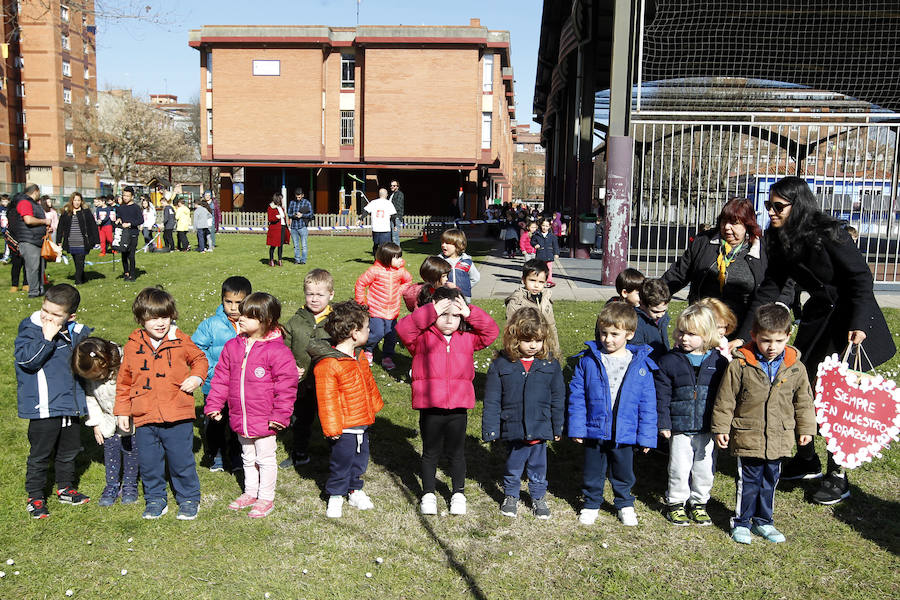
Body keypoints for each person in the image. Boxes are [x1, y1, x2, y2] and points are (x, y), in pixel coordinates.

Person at [754, 176, 895, 504]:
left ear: (797, 205)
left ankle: (838, 474)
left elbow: (860, 277)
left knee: (836, 398)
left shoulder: (830, 233)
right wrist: (751, 327)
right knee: (802, 388)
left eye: (778, 206)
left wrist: (859, 323)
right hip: (818, 319)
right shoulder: (779, 236)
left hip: (848, 322)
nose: (771, 212)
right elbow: (772, 285)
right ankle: (806, 460)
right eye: (768, 206)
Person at [712, 304, 816, 544]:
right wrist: (721, 427)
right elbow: (725, 399)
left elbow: (803, 400)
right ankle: (741, 522)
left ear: (788, 337)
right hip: (749, 434)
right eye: (766, 340)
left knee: (770, 480)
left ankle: (764, 521)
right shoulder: (740, 364)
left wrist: (807, 429)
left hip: (779, 436)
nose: (772, 347)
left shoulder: (796, 367)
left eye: (779, 341)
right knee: (748, 481)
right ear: (753, 336)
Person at [396, 287, 499, 516]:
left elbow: (491, 331)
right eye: (444, 314)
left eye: (455, 315)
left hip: (458, 407)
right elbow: (403, 330)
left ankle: (458, 493)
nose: (449, 320)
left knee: (457, 453)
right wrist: (429, 311)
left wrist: (470, 312)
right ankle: (429, 493)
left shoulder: (467, 338)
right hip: (430, 406)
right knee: (430, 452)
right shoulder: (422, 338)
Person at [114, 287, 208, 520]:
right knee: (149, 463)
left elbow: (199, 359)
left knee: (181, 460)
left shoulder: (180, 339)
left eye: (164, 317)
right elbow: (124, 382)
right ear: (141, 318)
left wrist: (196, 377)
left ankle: (188, 498)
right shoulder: (132, 346)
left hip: (177, 414)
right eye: (153, 318)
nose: (160, 323)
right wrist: (123, 412)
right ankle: (155, 499)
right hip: (145, 416)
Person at [205, 293, 299, 519]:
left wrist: (280, 416)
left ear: (266, 320)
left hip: (266, 418)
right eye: (242, 314)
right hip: (241, 416)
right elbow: (221, 378)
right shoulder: (233, 346)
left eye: (248, 315)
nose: (240, 318)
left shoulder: (278, 352)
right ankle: (250, 492)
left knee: (265, 458)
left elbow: (286, 387)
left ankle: (266, 497)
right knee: (247, 456)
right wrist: (214, 403)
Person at [567, 302, 658, 526]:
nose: (607, 339)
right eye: (603, 333)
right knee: (593, 470)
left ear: (629, 334)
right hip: (595, 428)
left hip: (624, 432)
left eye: (614, 334)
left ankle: (624, 503)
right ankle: (591, 503)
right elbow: (577, 397)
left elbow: (648, 404)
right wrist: (577, 427)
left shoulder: (641, 365)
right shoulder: (588, 361)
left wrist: (646, 436)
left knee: (623, 471)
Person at [15, 284, 93, 518]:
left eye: (55, 315)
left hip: (69, 403)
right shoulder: (31, 329)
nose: (47, 317)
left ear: (70, 316)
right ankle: (35, 496)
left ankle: (65, 487)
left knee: (69, 450)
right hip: (44, 405)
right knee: (40, 454)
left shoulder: (76, 331)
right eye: (45, 310)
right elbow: (27, 361)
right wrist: (47, 339)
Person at [482, 307, 564, 519]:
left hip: (540, 426)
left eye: (538, 340)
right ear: (514, 338)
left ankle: (538, 497)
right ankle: (511, 495)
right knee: (513, 465)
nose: (533, 345)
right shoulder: (502, 364)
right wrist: (491, 429)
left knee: (538, 468)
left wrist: (558, 425)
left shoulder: (550, 364)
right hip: (514, 426)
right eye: (527, 340)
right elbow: (492, 400)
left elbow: (557, 397)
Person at [654, 304, 728, 527]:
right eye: (681, 332)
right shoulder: (669, 361)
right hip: (680, 428)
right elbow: (662, 395)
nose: (684, 338)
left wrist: (722, 425)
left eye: (692, 334)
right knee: (678, 467)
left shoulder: (719, 363)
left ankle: (699, 503)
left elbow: (725, 397)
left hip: (707, 429)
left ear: (707, 336)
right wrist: (664, 422)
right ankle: (676, 503)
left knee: (705, 469)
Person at [662, 197, 770, 346]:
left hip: (741, 331)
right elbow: (678, 274)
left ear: (747, 225)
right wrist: (653, 296)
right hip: (701, 327)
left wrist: (743, 339)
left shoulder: (760, 250)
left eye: (734, 223)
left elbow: (764, 297)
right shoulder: (704, 242)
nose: (726, 227)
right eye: (724, 221)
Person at [312, 300, 384, 519]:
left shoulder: (359, 356)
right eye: (367, 328)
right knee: (341, 462)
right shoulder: (329, 364)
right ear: (354, 332)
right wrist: (333, 428)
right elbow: (327, 399)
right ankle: (335, 495)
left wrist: (374, 406)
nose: (369, 331)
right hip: (344, 427)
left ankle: (355, 489)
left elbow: (368, 383)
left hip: (361, 422)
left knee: (360, 460)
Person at [192, 276, 252, 473]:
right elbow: (196, 351)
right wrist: (211, 371)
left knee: (238, 422)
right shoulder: (210, 325)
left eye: (239, 303)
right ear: (222, 300)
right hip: (215, 385)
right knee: (215, 422)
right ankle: (216, 453)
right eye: (229, 302)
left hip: (242, 386)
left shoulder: (252, 325)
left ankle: (236, 455)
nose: (233, 308)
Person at [73, 337, 139, 507]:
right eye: (92, 378)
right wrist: (95, 424)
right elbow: (91, 399)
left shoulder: (125, 365)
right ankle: (112, 485)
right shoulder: (91, 377)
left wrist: (130, 413)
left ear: (107, 362)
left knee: (131, 451)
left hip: (129, 419)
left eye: (99, 375)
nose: (97, 379)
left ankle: (130, 485)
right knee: (111, 452)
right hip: (107, 420)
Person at [281, 268, 335, 469]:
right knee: (300, 420)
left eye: (320, 295)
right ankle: (299, 453)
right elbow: (283, 347)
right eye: (310, 294)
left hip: (328, 383)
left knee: (330, 420)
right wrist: (290, 367)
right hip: (302, 383)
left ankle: (335, 454)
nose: (314, 299)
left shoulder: (336, 321)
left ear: (331, 295)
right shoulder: (296, 321)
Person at [354, 242, 412, 369]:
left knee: (391, 335)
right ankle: (368, 349)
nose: (400, 260)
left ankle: (387, 356)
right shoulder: (375, 271)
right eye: (397, 257)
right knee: (377, 332)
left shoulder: (400, 271)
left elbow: (408, 281)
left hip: (392, 311)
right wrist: (361, 302)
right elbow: (361, 283)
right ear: (386, 257)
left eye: (400, 256)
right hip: (376, 309)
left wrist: (399, 290)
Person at [504, 259, 559, 353]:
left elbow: (551, 326)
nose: (536, 285)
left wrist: (555, 350)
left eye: (541, 282)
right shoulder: (517, 302)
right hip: (524, 348)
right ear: (523, 280)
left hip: (543, 346)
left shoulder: (546, 299)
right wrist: (513, 352)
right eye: (532, 280)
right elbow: (511, 330)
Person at [7, 184, 48, 297]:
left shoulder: (34, 204)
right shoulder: (25, 202)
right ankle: (33, 292)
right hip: (29, 240)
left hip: (37, 239)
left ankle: (40, 289)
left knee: (40, 267)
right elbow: (28, 220)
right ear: (35, 191)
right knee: (32, 268)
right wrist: (44, 222)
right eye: (39, 192)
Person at [57, 192, 100, 285]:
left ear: (81, 201)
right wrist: (59, 240)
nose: (76, 202)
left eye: (78, 200)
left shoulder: (86, 212)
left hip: (82, 241)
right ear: (72, 201)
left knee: (80, 260)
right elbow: (60, 227)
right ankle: (82, 276)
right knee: (77, 261)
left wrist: (97, 240)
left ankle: (78, 280)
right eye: (75, 200)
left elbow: (93, 226)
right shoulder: (66, 212)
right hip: (71, 241)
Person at [631, 278, 671, 359]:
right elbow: (636, 349)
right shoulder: (636, 322)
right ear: (642, 304)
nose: (660, 315)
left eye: (664, 310)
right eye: (655, 311)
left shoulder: (662, 319)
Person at [437, 228, 480, 302]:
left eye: (447, 243)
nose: (443, 245)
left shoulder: (466, 262)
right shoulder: (440, 261)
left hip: (463, 297)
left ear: (457, 245)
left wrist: (465, 287)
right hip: (444, 297)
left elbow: (475, 278)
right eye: (442, 242)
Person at [695, 297, 738, 362]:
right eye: (718, 327)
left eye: (725, 327)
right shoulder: (693, 344)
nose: (722, 331)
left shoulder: (722, 342)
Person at [115, 186, 142, 282]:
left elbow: (140, 220)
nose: (125, 197)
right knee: (124, 254)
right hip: (124, 234)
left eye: (127, 196)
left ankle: (132, 274)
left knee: (131, 255)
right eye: (124, 195)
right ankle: (126, 272)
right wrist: (118, 219)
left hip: (133, 233)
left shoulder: (136, 208)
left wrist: (130, 224)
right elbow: (119, 216)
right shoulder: (121, 208)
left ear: (132, 197)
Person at [364, 188, 396, 255]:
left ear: (379, 194)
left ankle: (376, 260)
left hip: (376, 228)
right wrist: (395, 225)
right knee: (386, 246)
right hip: (385, 229)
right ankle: (385, 261)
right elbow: (393, 215)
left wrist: (359, 219)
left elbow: (366, 211)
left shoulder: (373, 202)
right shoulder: (389, 203)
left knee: (376, 244)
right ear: (386, 195)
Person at [531, 218, 560, 287]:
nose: (544, 227)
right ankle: (540, 280)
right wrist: (535, 245)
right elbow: (532, 241)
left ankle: (549, 280)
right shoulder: (536, 234)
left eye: (547, 226)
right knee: (540, 268)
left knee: (549, 269)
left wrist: (556, 253)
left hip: (549, 254)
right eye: (543, 225)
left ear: (549, 226)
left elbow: (555, 245)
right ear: (540, 225)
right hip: (540, 254)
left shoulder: (552, 236)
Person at [288, 187, 313, 264]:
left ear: (302, 195)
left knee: (304, 245)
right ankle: (297, 260)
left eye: (299, 196)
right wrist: (294, 215)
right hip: (294, 227)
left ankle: (303, 260)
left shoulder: (307, 203)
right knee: (296, 246)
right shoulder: (292, 202)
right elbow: (289, 214)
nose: (298, 198)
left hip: (303, 227)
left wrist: (302, 215)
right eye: (296, 196)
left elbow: (311, 214)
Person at [266, 194, 287, 266]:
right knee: (273, 245)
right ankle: (271, 260)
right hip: (275, 229)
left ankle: (280, 260)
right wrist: (276, 217)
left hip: (282, 227)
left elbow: (283, 217)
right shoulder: (271, 207)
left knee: (280, 245)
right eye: (281, 199)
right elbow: (270, 219)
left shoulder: (281, 207)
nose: (282, 200)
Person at [389, 180, 404, 245]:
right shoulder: (392, 194)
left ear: (397, 187)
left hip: (396, 217)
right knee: (391, 236)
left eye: (394, 185)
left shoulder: (400, 194)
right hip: (392, 217)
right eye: (391, 185)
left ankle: (397, 253)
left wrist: (390, 213)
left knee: (395, 237)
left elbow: (397, 206)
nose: (392, 187)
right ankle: (392, 252)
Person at [1, 193, 10, 262]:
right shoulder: (1, 208)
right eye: (3, 201)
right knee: (6, 242)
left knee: (8, 242)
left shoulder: (9, 209)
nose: (4, 203)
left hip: (8, 228)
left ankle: (6, 256)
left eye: (6, 201)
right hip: (2, 228)